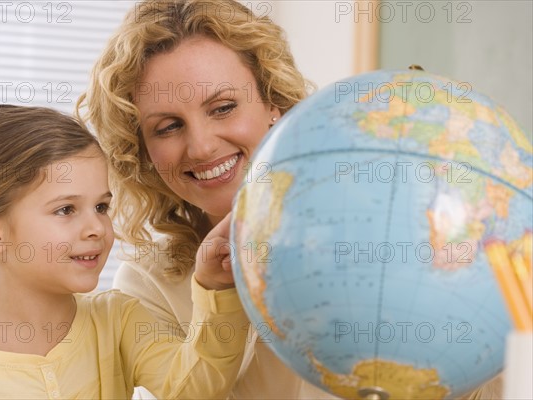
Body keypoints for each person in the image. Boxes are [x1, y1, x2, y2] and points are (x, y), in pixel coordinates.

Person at [78, 0, 503, 398]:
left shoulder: (388, 222)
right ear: (145, 153)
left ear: (273, 104)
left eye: (223, 107)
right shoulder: (148, 285)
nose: (202, 147)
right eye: (168, 127)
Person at [0, 105, 249, 399]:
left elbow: (196, 388)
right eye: (66, 209)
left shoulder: (117, 319)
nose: (96, 227)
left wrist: (215, 287)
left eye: (101, 207)